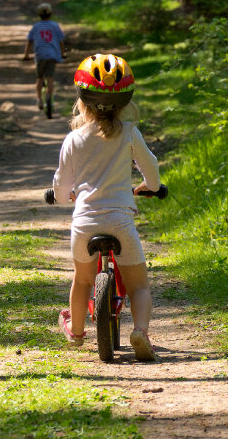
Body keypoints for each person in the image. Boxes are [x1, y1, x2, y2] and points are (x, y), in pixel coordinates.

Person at [51, 53, 160, 362]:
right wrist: (151, 187)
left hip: (84, 223)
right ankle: (140, 331)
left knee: (82, 280)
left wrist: (62, 196)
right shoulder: (129, 133)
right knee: (139, 285)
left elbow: (61, 184)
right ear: (124, 103)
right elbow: (150, 169)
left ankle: (77, 331)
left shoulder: (74, 138)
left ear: (82, 102)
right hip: (120, 222)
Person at [22, 3, 65, 118]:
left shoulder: (36, 27)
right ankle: (49, 98)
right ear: (50, 14)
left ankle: (39, 99)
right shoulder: (55, 26)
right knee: (50, 78)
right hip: (52, 55)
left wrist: (26, 54)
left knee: (40, 77)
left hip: (40, 55)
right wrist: (62, 53)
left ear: (39, 15)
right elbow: (61, 41)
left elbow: (30, 41)